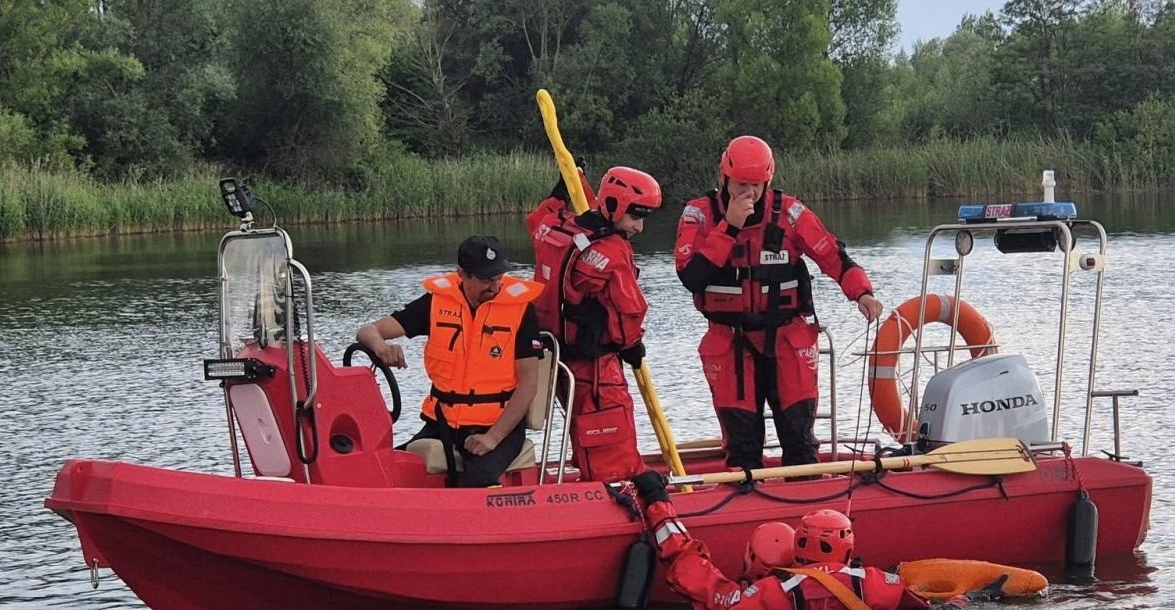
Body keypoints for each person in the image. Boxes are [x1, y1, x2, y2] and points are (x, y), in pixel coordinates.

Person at [675, 135, 884, 471]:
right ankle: (746, 507)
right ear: (724, 178)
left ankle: (809, 507)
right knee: (742, 444)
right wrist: (729, 226)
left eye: (757, 185)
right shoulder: (699, 215)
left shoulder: (790, 213)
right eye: (741, 184)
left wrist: (862, 293)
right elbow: (691, 277)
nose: (749, 193)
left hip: (788, 337)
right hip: (730, 342)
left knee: (799, 438)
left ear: (768, 181)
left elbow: (831, 255)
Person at [630, 471, 936, 610]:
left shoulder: (770, 595)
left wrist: (657, 503)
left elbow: (696, 577)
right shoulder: (875, 582)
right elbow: (928, 601)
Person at [355, 235, 544, 488]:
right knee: (384, 467)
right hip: (442, 423)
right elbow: (367, 330)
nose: (495, 286)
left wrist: (492, 437)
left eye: (498, 278)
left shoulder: (521, 310)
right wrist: (381, 347)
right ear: (462, 275)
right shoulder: (436, 303)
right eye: (486, 279)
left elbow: (529, 383)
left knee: (477, 480)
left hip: (496, 426)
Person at [526, 165, 663, 482]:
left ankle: (591, 482)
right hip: (598, 370)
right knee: (611, 444)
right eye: (636, 217)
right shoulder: (611, 251)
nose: (639, 227)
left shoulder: (556, 231)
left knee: (584, 433)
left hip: (558, 362)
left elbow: (538, 222)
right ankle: (616, 495)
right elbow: (630, 310)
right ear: (615, 207)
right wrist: (632, 346)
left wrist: (560, 195)